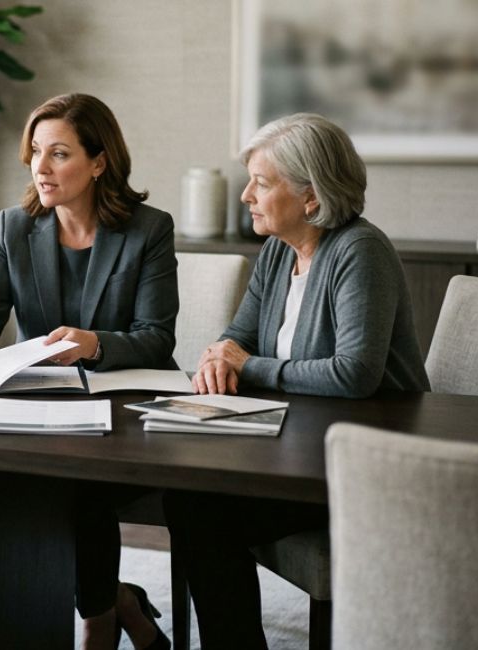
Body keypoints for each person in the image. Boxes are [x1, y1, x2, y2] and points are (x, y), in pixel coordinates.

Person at [0, 93, 177, 650]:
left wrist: (93, 345)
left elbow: (157, 338)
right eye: (36, 151)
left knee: (80, 483)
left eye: (59, 153)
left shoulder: (148, 230)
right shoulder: (16, 226)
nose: (40, 166)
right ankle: (106, 602)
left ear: (99, 162)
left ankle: (96, 622)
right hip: (43, 403)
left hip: (126, 411)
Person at [165, 112, 431, 649]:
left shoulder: (360, 251)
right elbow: (235, 338)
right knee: (189, 494)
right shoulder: (276, 253)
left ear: (312, 197)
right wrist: (220, 358)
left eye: (262, 183)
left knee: (202, 511)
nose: (246, 197)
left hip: (366, 460)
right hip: (296, 448)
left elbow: (354, 374)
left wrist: (247, 364)